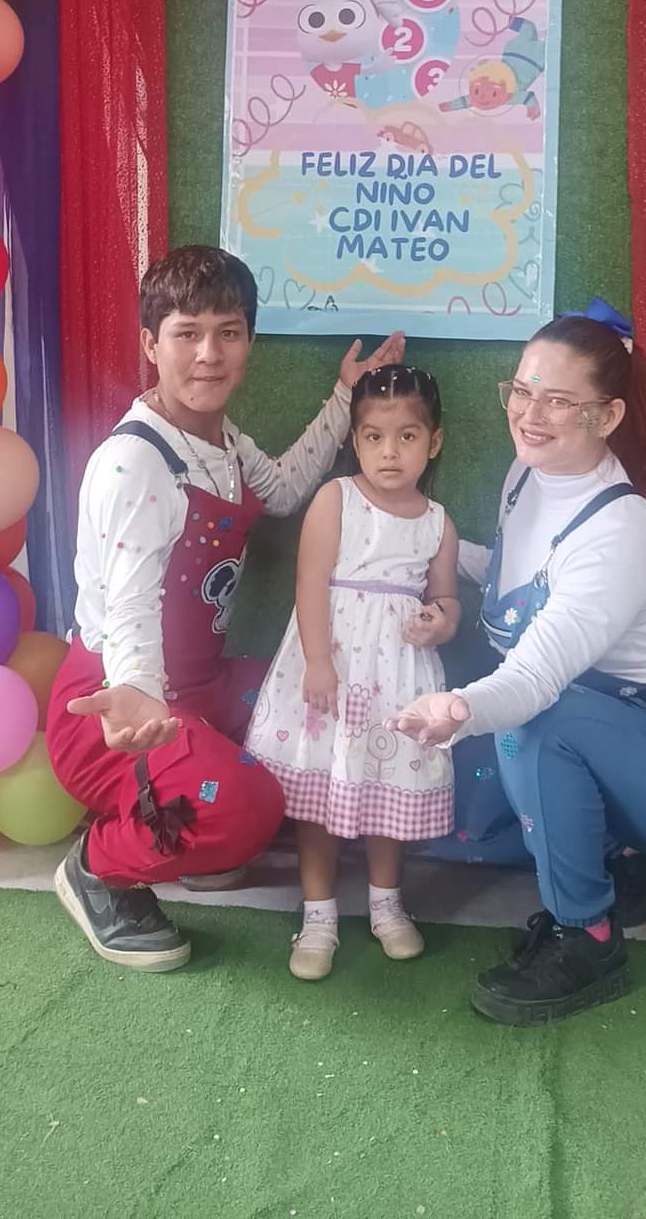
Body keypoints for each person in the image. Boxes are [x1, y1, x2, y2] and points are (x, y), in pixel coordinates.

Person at [390, 303, 646, 1027]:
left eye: (558, 400)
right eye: (522, 390)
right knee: (510, 757)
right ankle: (632, 855)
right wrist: (419, 547)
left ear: (608, 415)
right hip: (626, 739)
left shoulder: (618, 532)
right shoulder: (528, 475)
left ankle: (587, 937)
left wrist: (458, 709)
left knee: (532, 727)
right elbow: (516, 580)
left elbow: (533, 680)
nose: (530, 415)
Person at [46, 243, 404, 973]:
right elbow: (130, 604)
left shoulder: (223, 439)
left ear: (248, 341)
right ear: (151, 344)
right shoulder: (134, 461)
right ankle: (99, 868)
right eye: (187, 334)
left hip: (198, 689)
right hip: (117, 713)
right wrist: (139, 694)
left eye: (228, 332)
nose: (209, 355)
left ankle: (193, 826)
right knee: (249, 807)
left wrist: (346, 397)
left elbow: (284, 490)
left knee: (321, 691)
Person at [246, 365, 460, 981]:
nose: (389, 451)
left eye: (407, 436)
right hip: (331, 670)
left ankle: (387, 904)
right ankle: (318, 915)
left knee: (382, 788)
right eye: (373, 437)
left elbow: (447, 601)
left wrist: (438, 623)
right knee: (321, 792)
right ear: (354, 441)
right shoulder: (335, 498)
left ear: (433, 443)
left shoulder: (437, 522)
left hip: (398, 678)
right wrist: (318, 663)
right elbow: (310, 581)